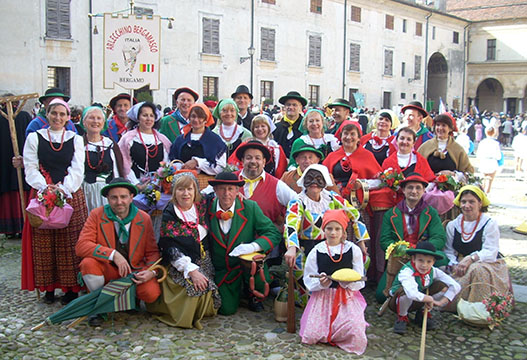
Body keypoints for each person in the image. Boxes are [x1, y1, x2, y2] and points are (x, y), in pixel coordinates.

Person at [21, 98, 88, 304]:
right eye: (54, 113)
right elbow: (30, 165)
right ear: (46, 115)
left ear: (68, 117)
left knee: (70, 241)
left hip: (69, 192)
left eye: (62, 114)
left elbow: (78, 168)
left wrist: (64, 188)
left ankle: (70, 288)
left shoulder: (75, 139)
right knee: (44, 241)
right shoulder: (34, 137)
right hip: (43, 191)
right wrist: (45, 187)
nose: (58, 117)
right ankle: (48, 287)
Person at [76, 178, 161, 326]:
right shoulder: (97, 215)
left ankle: (130, 298)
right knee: (88, 263)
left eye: (123, 197)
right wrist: (113, 254)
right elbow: (81, 246)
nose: (119, 202)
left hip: (133, 271)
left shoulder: (144, 218)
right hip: (107, 269)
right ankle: (98, 306)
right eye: (114, 197)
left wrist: (150, 272)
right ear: (107, 198)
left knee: (151, 293)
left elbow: (152, 252)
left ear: (131, 197)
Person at [284, 164, 369, 306]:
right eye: (310, 179)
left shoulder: (332, 198)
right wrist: (292, 247)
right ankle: (310, 305)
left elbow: (355, 215)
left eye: (319, 179)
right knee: (300, 267)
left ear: (325, 181)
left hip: (332, 245)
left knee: (361, 260)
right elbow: (291, 225)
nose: (314, 183)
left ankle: (344, 301)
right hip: (306, 247)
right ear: (304, 181)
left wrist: (361, 242)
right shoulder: (297, 202)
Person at [147, 172, 221, 329]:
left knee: (205, 287)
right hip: (181, 261)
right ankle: (181, 315)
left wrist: (240, 196)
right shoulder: (170, 213)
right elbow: (169, 249)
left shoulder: (202, 205)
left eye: (189, 188)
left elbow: (220, 192)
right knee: (193, 288)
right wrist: (191, 270)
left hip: (204, 258)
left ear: (195, 191)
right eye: (180, 189)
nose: (186, 193)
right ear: (174, 192)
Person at [206, 172, 282, 315]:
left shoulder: (250, 207)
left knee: (258, 273)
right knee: (226, 310)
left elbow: (273, 233)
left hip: (248, 265)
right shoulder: (205, 207)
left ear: (237, 191)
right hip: (223, 270)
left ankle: (254, 294)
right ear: (215, 190)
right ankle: (239, 291)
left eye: (231, 189)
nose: (226, 193)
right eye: (222, 188)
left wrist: (252, 246)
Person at [300, 210, 368, 355]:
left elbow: (359, 279)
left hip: (346, 297)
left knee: (355, 333)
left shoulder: (353, 250)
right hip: (322, 297)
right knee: (312, 334)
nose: (333, 233)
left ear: (343, 231)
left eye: (337, 229)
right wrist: (321, 283)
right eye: (329, 228)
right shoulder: (317, 251)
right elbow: (309, 278)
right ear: (323, 230)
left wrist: (347, 282)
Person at [376, 173, 448, 303]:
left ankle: (424, 294)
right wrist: (401, 249)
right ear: (403, 190)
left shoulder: (431, 212)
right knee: (381, 296)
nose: (414, 191)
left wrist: (421, 249)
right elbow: (385, 240)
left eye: (418, 188)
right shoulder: (391, 214)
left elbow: (439, 237)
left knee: (443, 260)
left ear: (424, 190)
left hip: (424, 256)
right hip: (401, 258)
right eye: (410, 188)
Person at [444, 186, 511, 309]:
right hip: (460, 264)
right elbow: (449, 250)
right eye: (463, 202)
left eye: (471, 202)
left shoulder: (489, 223)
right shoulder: (453, 225)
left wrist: (471, 258)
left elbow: (491, 251)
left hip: (488, 264)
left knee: (477, 270)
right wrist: (453, 263)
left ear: (480, 203)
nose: (466, 205)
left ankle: (478, 307)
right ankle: (460, 305)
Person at [389, 241, 461, 334]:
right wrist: (429, 299)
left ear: (433, 262)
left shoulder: (433, 271)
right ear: (413, 259)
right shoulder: (406, 271)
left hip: (420, 300)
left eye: (429, 261)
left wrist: (441, 302)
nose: (424, 265)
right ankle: (402, 317)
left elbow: (455, 286)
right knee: (404, 292)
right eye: (420, 260)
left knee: (441, 285)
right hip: (398, 302)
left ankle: (423, 312)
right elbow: (411, 293)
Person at [234, 140, 297, 228]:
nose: (253, 161)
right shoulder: (231, 179)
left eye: (257, 158)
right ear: (242, 161)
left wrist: (285, 225)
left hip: (265, 239)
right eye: (248, 158)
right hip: (233, 240)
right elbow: (208, 194)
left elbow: (297, 202)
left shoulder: (277, 185)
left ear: (264, 162)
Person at [80, 106, 124, 213]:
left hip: (107, 193)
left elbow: (117, 172)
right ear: (84, 122)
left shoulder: (110, 144)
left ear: (104, 122)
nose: (95, 121)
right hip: (85, 192)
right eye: (91, 118)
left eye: (99, 118)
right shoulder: (78, 143)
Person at [118, 102, 171, 187]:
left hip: (159, 185)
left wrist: (158, 181)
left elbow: (166, 162)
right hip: (135, 185)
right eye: (145, 115)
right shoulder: (128, 139)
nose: (149, 119)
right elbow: (124, 163)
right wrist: (137, 184)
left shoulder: (162, 140)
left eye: (151, 115)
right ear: (138, 118)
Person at [0, 95, 31, 235]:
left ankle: (18, 227)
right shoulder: (24, 116)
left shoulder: (23, 117)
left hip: (17, 162)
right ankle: (17, 227)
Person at [323, 121, 381, 194]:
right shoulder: (332, 156)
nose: (348, 137)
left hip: (359, 199)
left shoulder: (367, 156)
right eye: (346, 133)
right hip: (335, 196)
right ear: (341, 137)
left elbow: (379, 181)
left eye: (352, 134)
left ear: (359, 138)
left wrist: (363, 184)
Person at [169, 103, 226, 177]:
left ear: (206, 119)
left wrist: (197, 162)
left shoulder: (215, 140)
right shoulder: (180, 140)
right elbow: (172, 161)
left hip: (206, 184)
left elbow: (221, 167)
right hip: (182, 183)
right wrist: (181, 167)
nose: (196, 120)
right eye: (193, 116)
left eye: (200, 117)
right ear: (189, 118)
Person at [273, 91, 308, 158]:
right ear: (284, 107)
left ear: (300, 107)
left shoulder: (306, 127)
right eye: (288, 105)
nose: (291, 107)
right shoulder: (276, 128)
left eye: (294, 105)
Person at [476, 127, 502, 193]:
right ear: (494, 133)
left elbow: (478, 153)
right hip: (492, 162)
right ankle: (487, 194)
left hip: (484, 161)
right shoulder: (496, 143)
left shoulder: (482, 142)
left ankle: (482, 195)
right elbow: (499, 155)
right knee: (490, 181)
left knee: (483, 180)